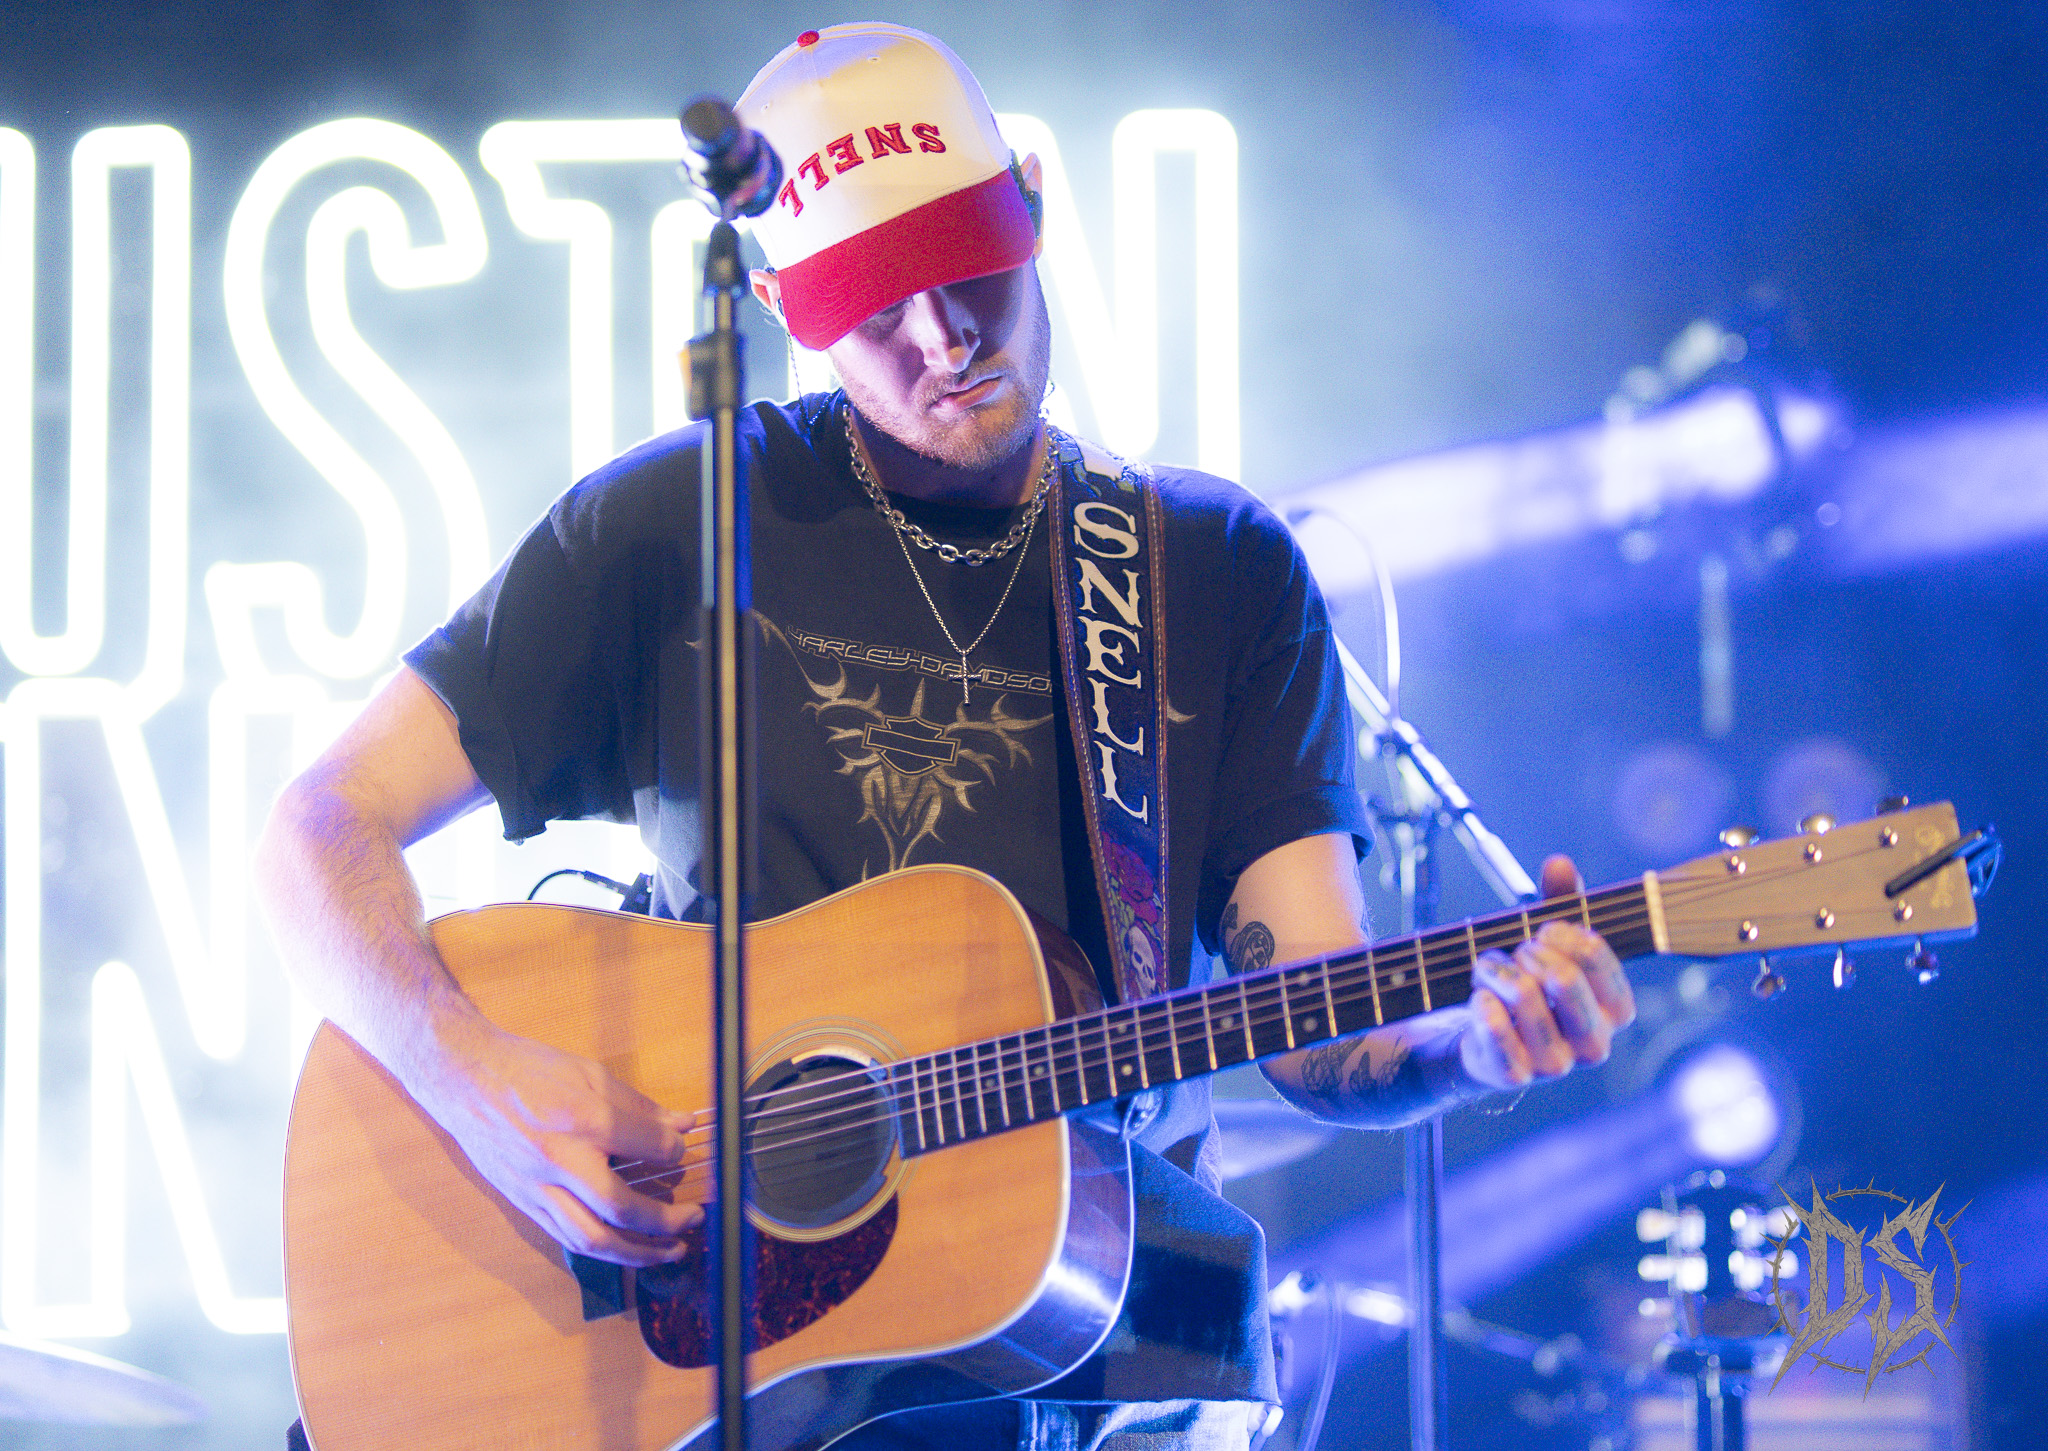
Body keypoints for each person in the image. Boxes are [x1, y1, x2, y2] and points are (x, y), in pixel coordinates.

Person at [256, 22, 1635, 1451]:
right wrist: (470, 1081)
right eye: (874, 309)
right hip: (718, 1351)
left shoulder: (1210, 568)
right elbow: (318, 827)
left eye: (967, 265)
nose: (941, 339)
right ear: (783, 307)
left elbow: (1319, 1023)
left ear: (1031, 200)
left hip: (1089, 1348)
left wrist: (1471, 1043)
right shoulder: (676, 527)